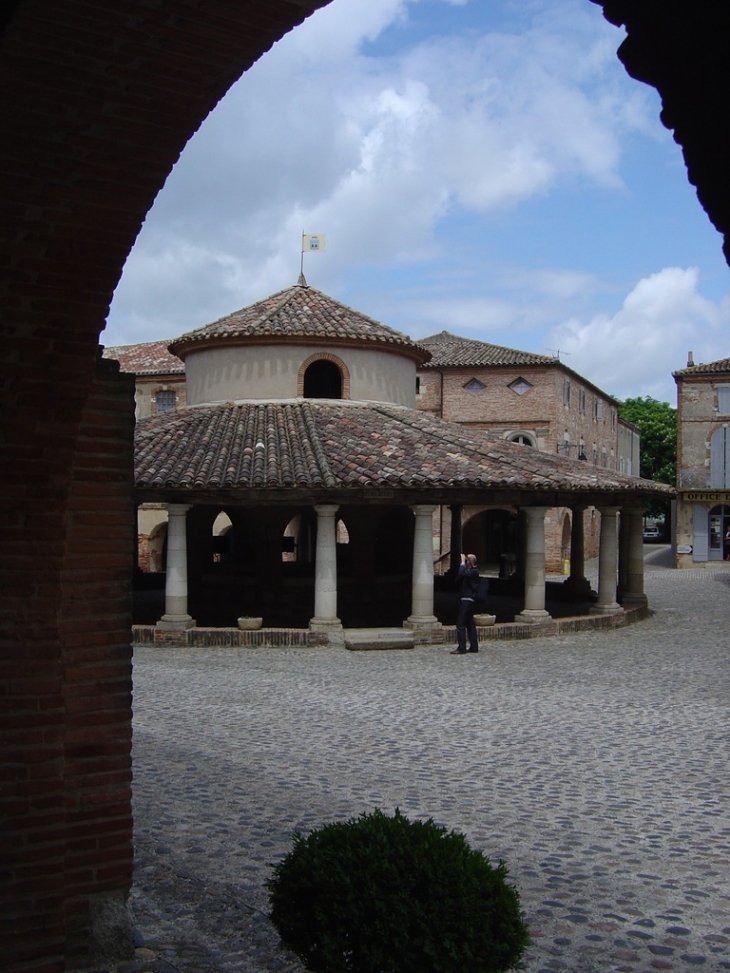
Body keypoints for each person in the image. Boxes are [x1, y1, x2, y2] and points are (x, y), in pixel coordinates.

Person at [451, 553, 480, 654]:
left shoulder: (474, 572)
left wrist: (462, 563)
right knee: (470, 624)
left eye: (467, 561)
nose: (465, 562)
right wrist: (463, 568)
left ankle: (462, 648)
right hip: (466, 599)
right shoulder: (468, 572)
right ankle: (474, 647)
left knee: (460, 624)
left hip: (468, 600)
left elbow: (463, 574)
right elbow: (458, 577)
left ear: (471, 562)